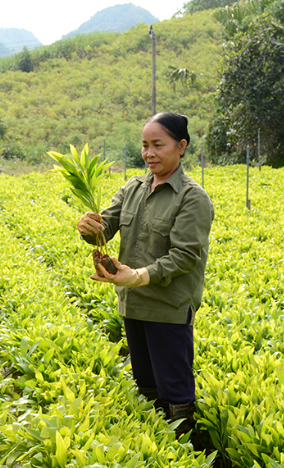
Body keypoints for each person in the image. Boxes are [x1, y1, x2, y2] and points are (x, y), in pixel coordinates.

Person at [77, 112, 214, 438]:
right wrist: (88, 227)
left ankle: (184, 447)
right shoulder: (132, 188)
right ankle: (156, 445)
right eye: (144, 146)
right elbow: (105, 227)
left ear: (181, 147)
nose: (149, 153)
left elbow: (185, 256)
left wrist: (137, 275)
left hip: (167, 306)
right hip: (133, 302)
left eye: (157, 145)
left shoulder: (192, 197)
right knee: (145, 382)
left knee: (174, 388)